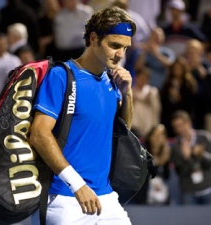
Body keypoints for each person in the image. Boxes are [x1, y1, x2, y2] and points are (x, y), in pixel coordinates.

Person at [30, 6, 136, 224]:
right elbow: (39, 134)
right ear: (94, 38)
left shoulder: (114, 82)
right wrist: (77, 184)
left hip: (106, 198)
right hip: (63, 198)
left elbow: (123, 131)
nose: (120, 55)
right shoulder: (61, 76)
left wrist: (128, 94)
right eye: (115, 46)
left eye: (125, 48)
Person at [171, 110, 211, 206]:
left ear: (189, 123)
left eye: (180, 125)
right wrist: (187, 158)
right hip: (188, 192)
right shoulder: (176, 146)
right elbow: (180, 172)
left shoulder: (204, 137)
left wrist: (202, 155)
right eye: (176, 127)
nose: (179, 129)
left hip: (208, 189)